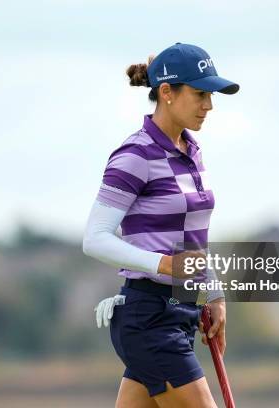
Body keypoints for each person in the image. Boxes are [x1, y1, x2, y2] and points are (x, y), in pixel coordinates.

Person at [82, 42, 239, 408]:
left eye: (211, 95)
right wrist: (163, 264)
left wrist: (213, 292)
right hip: (150, 318)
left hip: (182, 313)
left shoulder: (192, 152)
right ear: (166, 92)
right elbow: (95, 238)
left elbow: (193, 239)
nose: (209, 105)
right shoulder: (135, 155)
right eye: (200, 93)